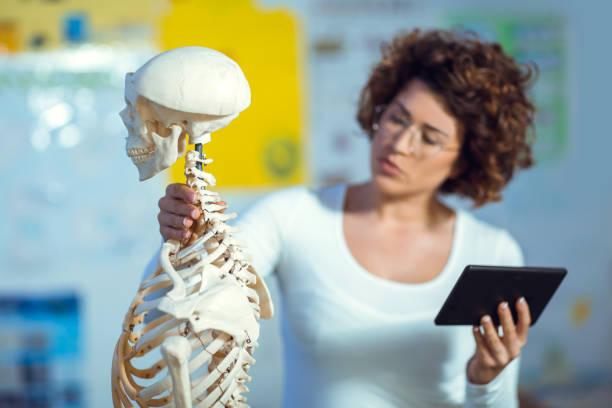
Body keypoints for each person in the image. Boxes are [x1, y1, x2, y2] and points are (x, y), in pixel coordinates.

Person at [154, 28, 537, 407]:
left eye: (430, 137)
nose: (400, 144)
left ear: (464, 160)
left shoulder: (493, 252)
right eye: (398, 118)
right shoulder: (292, 216)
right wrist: (183, 238)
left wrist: (486, 378)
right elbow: (178, 298)